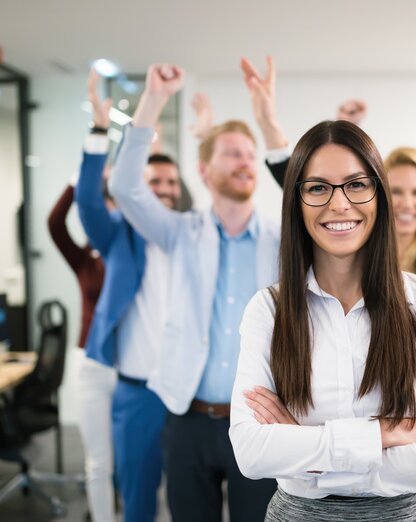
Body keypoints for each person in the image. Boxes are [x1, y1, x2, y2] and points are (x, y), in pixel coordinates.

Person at [229, 119, 416, 521]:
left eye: (357, 184)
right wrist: (380, 436)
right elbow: (251, 452)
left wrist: (308, 457)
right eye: (318, 187)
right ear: (296, 201)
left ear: (379, 195)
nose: (339, 203)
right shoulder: (268, 310)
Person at [108, 63, 278, 522]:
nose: (245, 160)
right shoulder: (181, 233)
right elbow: (125, 186)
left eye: (249, 153)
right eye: (232, 153)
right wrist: (154, 100)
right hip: (186, 418)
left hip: (260, 423)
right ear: (203, 170)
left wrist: (266, 120)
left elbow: (306, 192)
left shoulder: (283, 241)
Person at [75, 71, 185, 522]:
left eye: (170, 183)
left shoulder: (191, 236)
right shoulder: (118, 234)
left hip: (186, 396)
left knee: (188, 500)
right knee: (137, 498)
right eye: (153, 182)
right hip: (137, 392)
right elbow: (87, 202)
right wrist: (100, 133)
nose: (163, 190)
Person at [47, 116, 113, 522]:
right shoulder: (83, 258)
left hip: (127, 366)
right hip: (88, 363)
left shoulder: (132, 255)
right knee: (97, 460)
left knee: (127, 458)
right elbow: (54, 224)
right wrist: (82, 176)